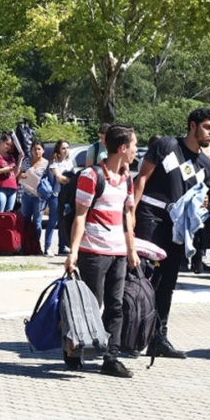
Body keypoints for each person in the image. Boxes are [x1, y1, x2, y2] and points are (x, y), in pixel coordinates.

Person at [134, 107, 210, 358]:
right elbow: (141, 179)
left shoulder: (205, 164)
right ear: (192, 125)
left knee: (167, 282)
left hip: (179, 226)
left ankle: (159, 338)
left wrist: (204, 203)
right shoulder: (167, 146)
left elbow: (198, 195)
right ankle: (130, 334)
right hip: (151, 218)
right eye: (207, 127)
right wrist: (129, 215)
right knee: (142, 278)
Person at [64, 124, 140, 377]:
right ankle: (73, 349)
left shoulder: (127, 178)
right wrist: (73, 253)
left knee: (116, 306)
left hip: (118, 252)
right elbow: (80, 215)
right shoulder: (91, 175)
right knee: (90, 306)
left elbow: (128, 214)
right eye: (134, 145)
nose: (136, 150)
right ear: (123, 148)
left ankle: (111, 358)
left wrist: (131, 249)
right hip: (93, 251)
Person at [44, 140, 73, 255]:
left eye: (67, 148)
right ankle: (47, 247)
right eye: (63, 148)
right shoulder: (54, 163)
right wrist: (70, 180)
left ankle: (62, 247)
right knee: (53, 221)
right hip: (56, 195)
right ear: (58, 150)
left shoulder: (69, 162)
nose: (66, 150)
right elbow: (59, 178)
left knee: (63, 222)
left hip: (67, 196)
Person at [18, 139, 48, 244]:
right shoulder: (26, 161)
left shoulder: (46, 164)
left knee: (37, 222)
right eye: (34, 149)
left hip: (39, 197)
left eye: (39, 149)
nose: (37, 151)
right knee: (25, 220)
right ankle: (25, 244)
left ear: (43, 150)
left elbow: (48, 180)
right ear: (31, 150)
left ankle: (35, 245)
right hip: (26, 195)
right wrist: (21, 175)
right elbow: (19, 175)